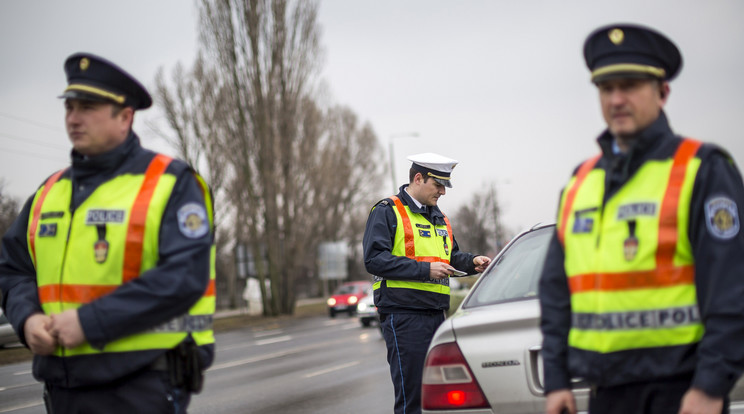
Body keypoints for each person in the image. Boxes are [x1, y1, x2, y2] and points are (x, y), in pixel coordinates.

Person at [539, 23, 744, 414]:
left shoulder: (702, 170)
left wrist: (710, 387)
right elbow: (556, 290)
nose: (616, 99)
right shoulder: (581, 181)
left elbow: (732, 288)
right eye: (605, 88)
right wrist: (557, 380)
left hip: (681, 393)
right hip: (604, 392)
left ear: (663, 91)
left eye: (630, 85)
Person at [0, 53, 216, 413]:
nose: (73, 118)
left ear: (125, 117)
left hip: (139, 385)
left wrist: (89, 322)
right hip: (62, 387)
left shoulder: (170, 183)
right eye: (69, 107)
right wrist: (27, 319)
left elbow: (183, 276)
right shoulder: (49, 192)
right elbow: (13, 269)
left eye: (88, 107)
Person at [363, 152, 491, 414]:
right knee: (414, 397)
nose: (443, 191)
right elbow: (374, 260)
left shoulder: (440, 218)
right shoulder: (387, 211)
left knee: (439, 397)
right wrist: (425, 270)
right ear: (418, 178)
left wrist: (471, 262)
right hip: (404, 316)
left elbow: (450, 256)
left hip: (436, 315)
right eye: (438, 184)